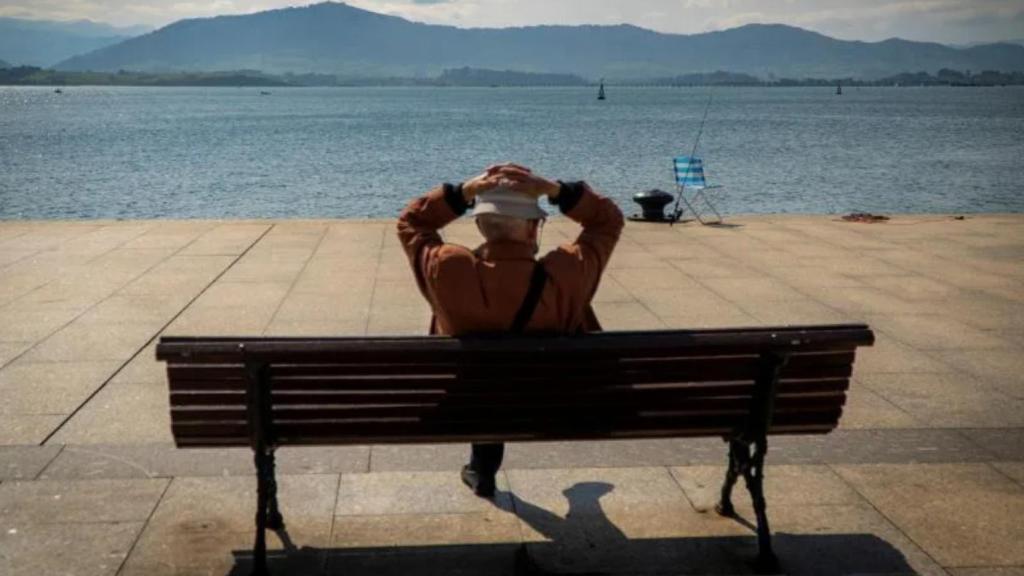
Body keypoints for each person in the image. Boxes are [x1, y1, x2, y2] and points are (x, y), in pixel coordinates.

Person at [396, 163, 624, 497]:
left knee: (483, 378)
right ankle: (481, 465)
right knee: (509, 370)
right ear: (533, 229)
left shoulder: (447, 270)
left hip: (467, 405)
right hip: (554, 407)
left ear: (481, 225)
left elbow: (412, 222)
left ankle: (481, 467)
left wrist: (462, 193)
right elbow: (607, 220)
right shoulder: (567, 272)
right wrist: (557, 190)